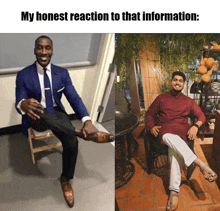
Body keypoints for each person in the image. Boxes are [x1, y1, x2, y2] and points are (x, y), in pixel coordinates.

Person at [15, 35, 113, 208]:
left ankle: (66, 179)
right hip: (36, 116)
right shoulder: (23, 75)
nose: (43, 52)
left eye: (47, 48)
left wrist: (87, 120)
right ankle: (78, 132)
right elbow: (19, 99)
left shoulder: (62, 73)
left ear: (52, 51)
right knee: (41, 111)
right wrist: (23, 104)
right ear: (34, 50)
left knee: (72, 142)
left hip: (56, 112)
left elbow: (74, 98)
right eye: (40, 47)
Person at [145, 71, 217, 211]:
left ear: (183, 84)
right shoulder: (161, 98)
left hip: (181, 133)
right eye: (175, 80)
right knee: (168, 137)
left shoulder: (188, 101)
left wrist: (196, 126)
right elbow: (149, 113)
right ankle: (200, 164)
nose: (177, 82)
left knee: (175, 151)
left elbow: (201, 116)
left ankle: (173, 191)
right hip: (164, 131)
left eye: (180, 81)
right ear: (171, 82)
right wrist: (151, 126)